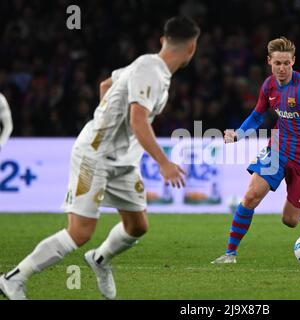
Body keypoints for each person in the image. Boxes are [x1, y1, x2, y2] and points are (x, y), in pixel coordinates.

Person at [0, 16, 200, 300]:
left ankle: (100, 259)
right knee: (80, 232)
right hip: (93, 157)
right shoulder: (150, 70)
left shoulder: (147, 67)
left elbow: (107, 86)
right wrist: (163, 162)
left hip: (123, 161)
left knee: (137, 226)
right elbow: (138, 119)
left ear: (162, 40)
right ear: (192, 48)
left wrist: (108, 121)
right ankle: (14, 278)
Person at [212, 37, 300, 264]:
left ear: (294, 61)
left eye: (287, 63)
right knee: (251, 196)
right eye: (277, 63)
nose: (282, 68)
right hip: (278, 148)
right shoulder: (269, 86)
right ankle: (230, 254)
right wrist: (238, 134)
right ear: (269, 61)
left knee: (290, 221)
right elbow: (257, 115)